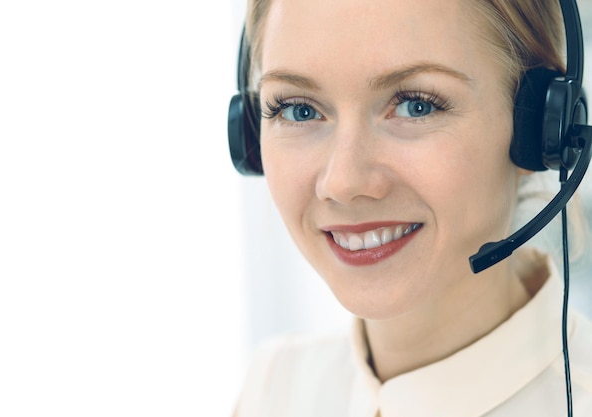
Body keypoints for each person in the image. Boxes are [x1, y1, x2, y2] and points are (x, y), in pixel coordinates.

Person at [231, 0, 592, 415]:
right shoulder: (274, 387)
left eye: (415, 105)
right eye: (299, 110)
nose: (344, 183)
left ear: (542, 129)